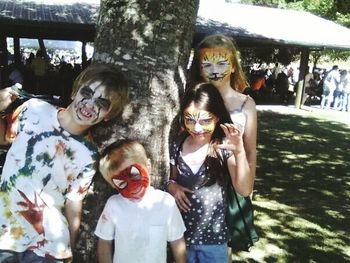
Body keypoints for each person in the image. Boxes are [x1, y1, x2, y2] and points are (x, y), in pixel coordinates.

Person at [0, 64, 129, 262]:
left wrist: (69, 245)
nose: (89, 105)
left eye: (102, 104)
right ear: (74, 91)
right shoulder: (34, 109)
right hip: (5, 231)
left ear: (108, 115)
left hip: (48, 245)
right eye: (86, 93)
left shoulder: (89, 154)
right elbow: (3, 138)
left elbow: (73, 202)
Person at [166, 83, 254, 262]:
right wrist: (172, 187)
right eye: (190, 119)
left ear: (217, 117)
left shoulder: (223, 146)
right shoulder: (177, 144)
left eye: (205, 121)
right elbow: (171, 180)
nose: (197, 128)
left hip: (214, 242)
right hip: (180, 239)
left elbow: (244, 190)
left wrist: (239, 151)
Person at [95, 139, 186, 263]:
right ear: (113, 185)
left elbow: (177, 241)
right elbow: (104, 242)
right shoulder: (113, 205)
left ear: (148, 166)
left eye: (135, 175)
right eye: (121, 183)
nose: (132, 188)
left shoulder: (166, 203)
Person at [188, 34, 257, 197]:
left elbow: (250, 150)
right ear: (199, 68)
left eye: (221, 64)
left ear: (233, 66)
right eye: (207, 65)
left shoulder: (246, 104)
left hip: (232, 181)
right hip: (196, 180)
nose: (214, 71)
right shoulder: (190, 100)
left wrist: (250, 183)